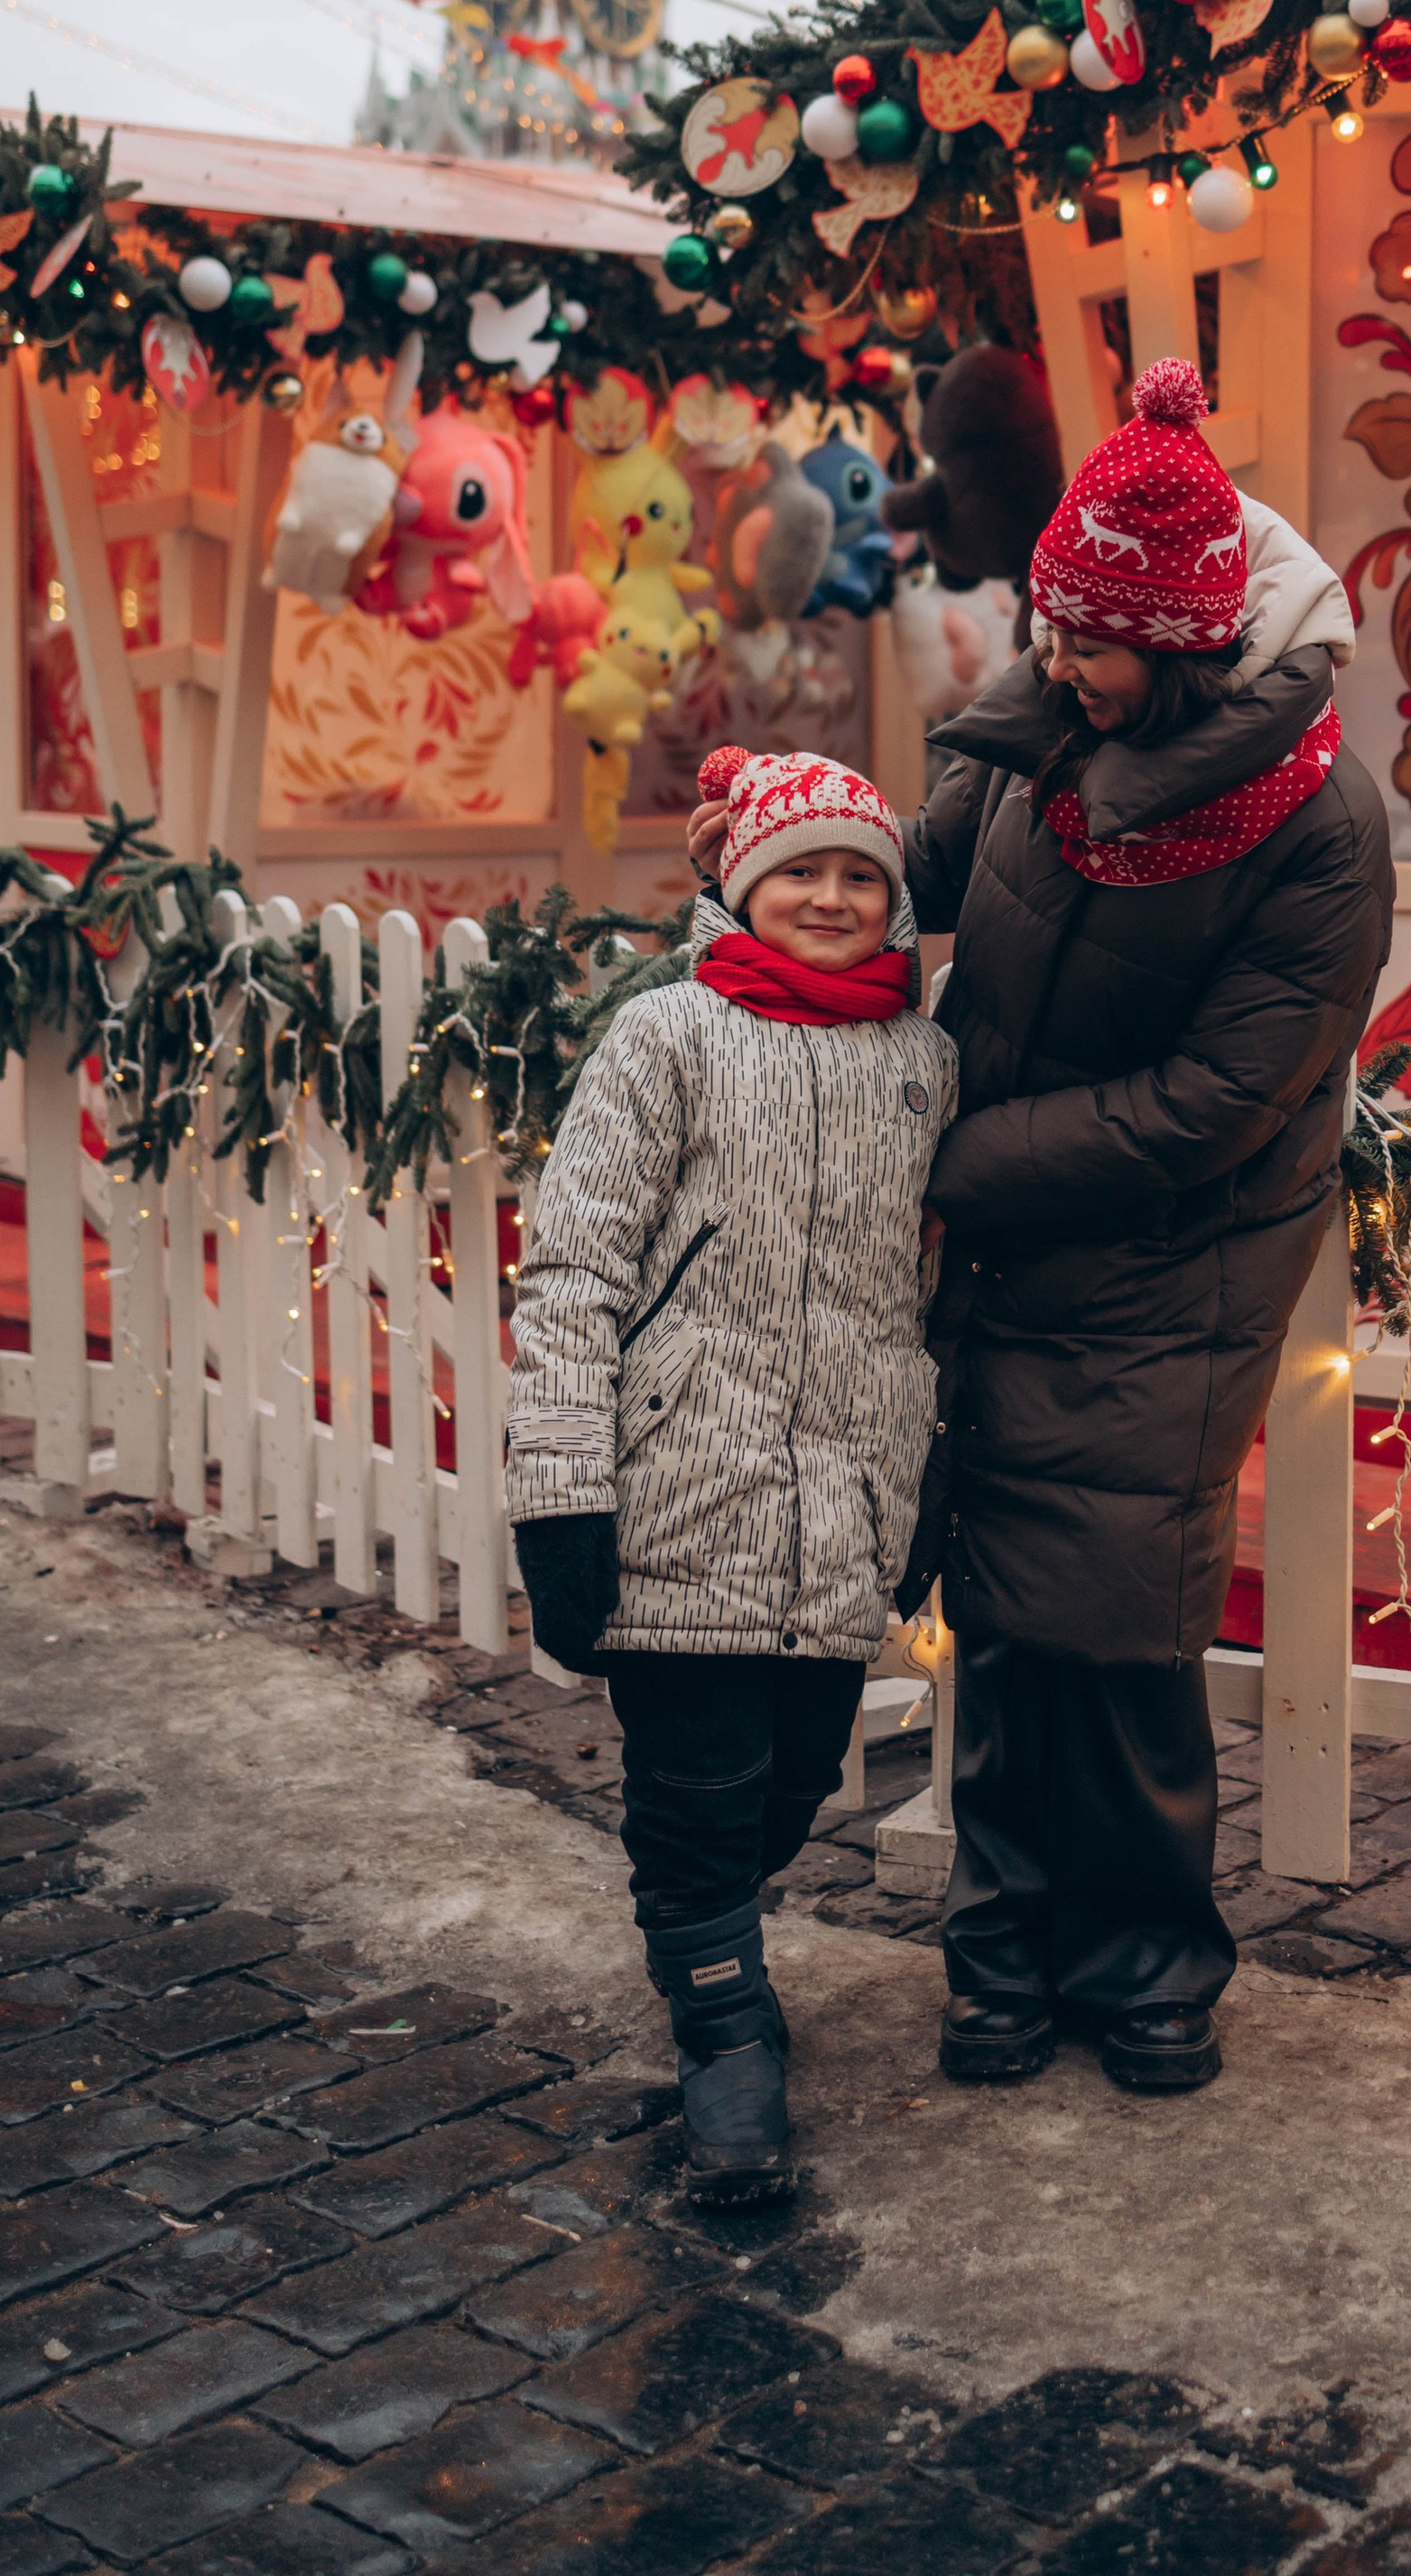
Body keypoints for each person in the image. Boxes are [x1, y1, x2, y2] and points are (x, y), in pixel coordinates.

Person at [689, 359, 1393, 2099]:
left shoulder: (1318, 831)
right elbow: (928, 869)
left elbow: (1215, 1104)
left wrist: (951, 1154)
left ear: (1185, 640)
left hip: (1177, 1257)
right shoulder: (1056, 729)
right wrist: (797, 861)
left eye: (1082, 641)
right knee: (998, 1606)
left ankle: (1150, 1968)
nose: (1048, 660)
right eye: (1050, 632)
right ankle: (1001, 1957)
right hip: (1007, 1233)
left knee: (1121, 1624)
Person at [506, 753, 955, 2204]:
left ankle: (709, 1935)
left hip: (844, 1503)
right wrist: (563, 1492)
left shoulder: (923, 1062)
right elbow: (573, 1271)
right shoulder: (666, 1040)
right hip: (678, 1486)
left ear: (895, 899)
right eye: (800, 869)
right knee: (699, 1795)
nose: (831, 895)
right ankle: (722, 2031)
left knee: (794, 1783)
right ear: (737, 882)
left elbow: (931, 1291)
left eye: (860, 873)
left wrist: (925, 1471)